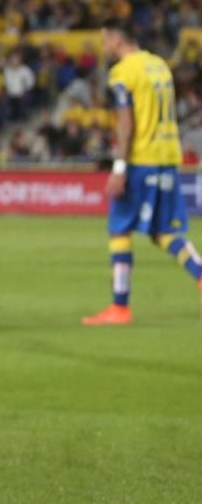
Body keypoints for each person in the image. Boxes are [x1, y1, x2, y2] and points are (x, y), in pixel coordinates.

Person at [82, 22, 202, 324]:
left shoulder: (123, 72)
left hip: (141, 158)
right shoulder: (159, 65)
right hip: (168, 155)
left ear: (116, 39)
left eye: (105, 40)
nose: (104, 46)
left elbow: (126, 123)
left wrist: (119, 168)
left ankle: (120, 306)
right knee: (163, 231)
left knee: (119, 228)